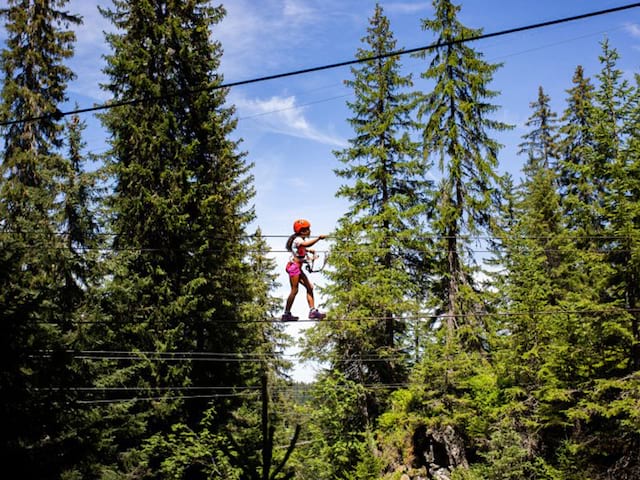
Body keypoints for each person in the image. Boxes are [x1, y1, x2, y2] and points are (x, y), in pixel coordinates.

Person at [282, 219, 327, 321]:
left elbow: (301, 250)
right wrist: (318, 238)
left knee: (309, 287)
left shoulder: (300, 240)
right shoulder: (298, 239)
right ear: (302, 231)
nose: (309, 231)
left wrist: (308, 253)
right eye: (308, 229)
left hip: (297, 268)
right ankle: (286, 314)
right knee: (294, 290)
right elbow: (304, 245)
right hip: (294, 267)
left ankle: (312, 311)